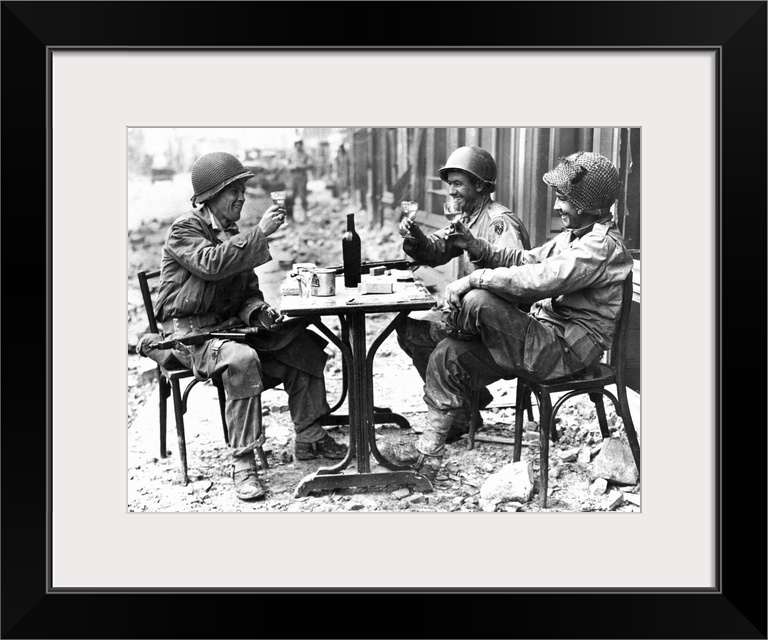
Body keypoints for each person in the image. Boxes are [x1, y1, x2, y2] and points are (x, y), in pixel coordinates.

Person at [387, 151, 633, 480]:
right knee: (448, 354)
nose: (558, 207)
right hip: (544, 338)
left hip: (566, 353)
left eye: (564, 200)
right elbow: (525, 260)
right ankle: (427, 454)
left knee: (476, 301)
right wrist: (478, 247)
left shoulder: (601, 247)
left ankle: (460, 326)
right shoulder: (573, 236)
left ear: (588, 204)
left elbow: (541, 279)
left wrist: (475, 277)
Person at [137, 151, 346, 501]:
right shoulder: (185, 229)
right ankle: (244, 461)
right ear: (210, 196)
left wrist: (260, 313)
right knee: (241, 360)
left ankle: (309, 437)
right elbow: (211, 264)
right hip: (193, 338)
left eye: (243, 189)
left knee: (302, 342)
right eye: (234, 189)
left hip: (231, 330)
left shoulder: (233, 234)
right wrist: (260, 233)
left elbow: (248, 293)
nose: (241, 197)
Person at [395, 145, 531, 443]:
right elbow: (436, 249)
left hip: (501, 323)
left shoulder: (498, 222)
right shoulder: (468, 218)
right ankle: (467, 404)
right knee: (408, 329)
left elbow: (519, 273)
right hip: (476, 315)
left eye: (458, 184)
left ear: (480, 186)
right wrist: (415, 235)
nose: (451, 192)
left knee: (417, 333)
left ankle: (460, 410)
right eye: (450, 184)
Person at [287, 139, 312, 216]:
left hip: (302, 177)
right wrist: (293, 167)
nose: (298, 146)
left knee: (303, 196)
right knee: (291, 196)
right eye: (296, 145)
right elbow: (287, 165)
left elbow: (310, 165)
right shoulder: (291, 155)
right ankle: (290, 215)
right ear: (295, 146)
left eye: (300, 145)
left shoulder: (306, 155)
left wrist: (300, 166)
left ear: (302, 145)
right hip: (293, 177)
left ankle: (305, 214)